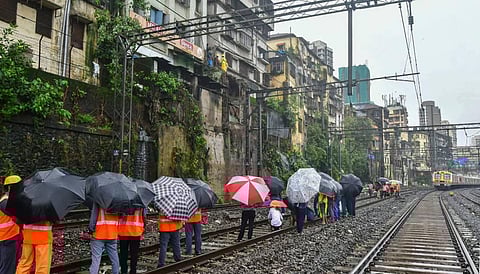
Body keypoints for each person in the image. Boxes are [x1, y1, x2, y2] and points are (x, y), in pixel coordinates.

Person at [88, 203, 120, 274]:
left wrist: (90, 230)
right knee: (114, 258)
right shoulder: (118, 200)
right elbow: (121, 216)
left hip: (99, 234)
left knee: (96, 259)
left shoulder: (98, 199)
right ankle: (116, 272)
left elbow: (94, 216)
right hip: (112, 234)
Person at [0, 175, 22, 274]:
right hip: (7, 238)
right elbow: (18, 216)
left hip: (9, 237)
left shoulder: (7, 200)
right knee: (7, 267)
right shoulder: (5, 202)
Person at [118, 208, 145, 274]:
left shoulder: (122, 202)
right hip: (135, 231)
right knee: (134, 254)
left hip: (123, 231)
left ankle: (123, 271)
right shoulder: (141, 203)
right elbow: (144, 216)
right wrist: (143, 228)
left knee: (123, 254)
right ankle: (133, 271)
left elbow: (118, 216)